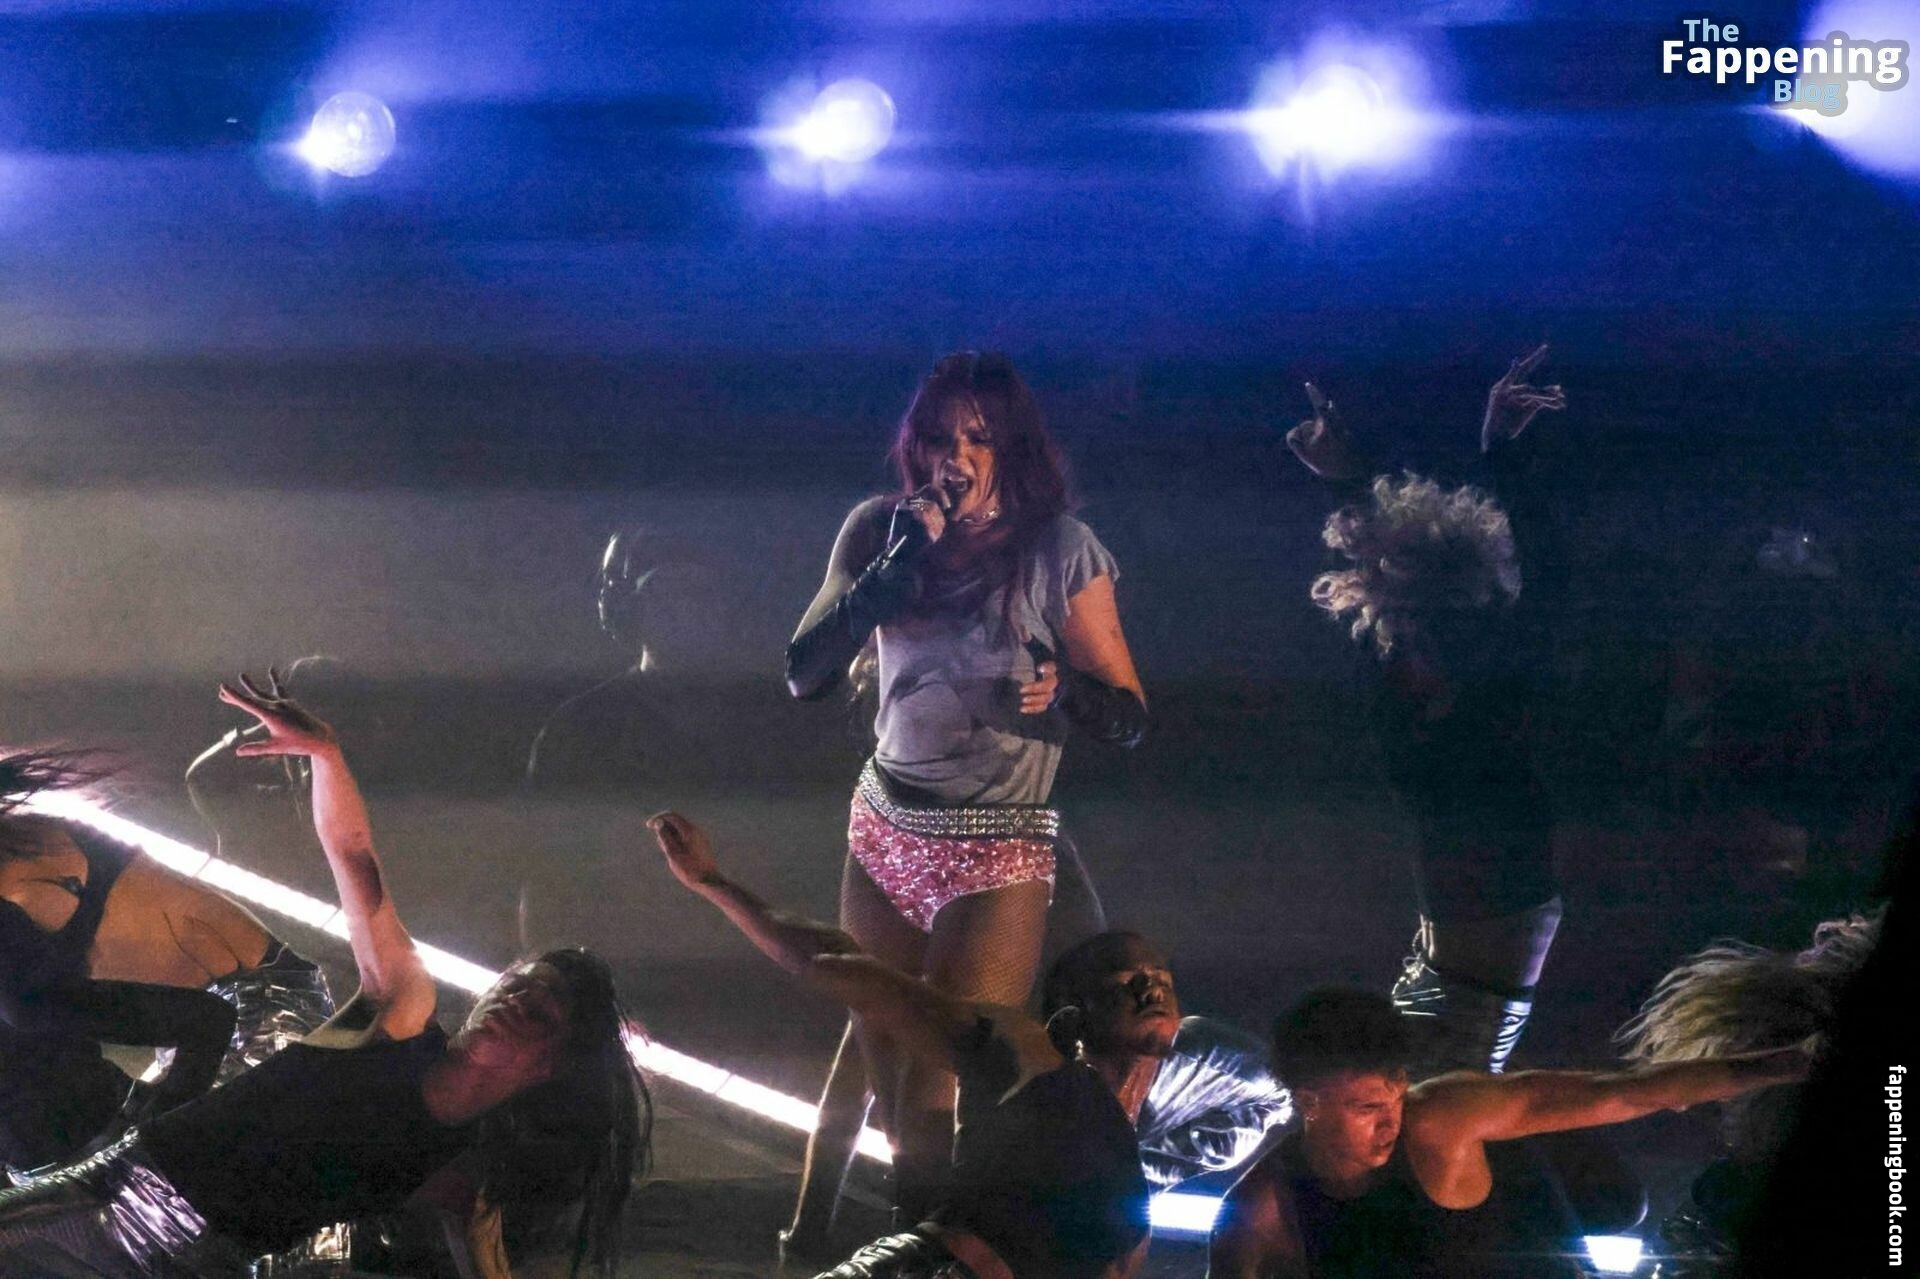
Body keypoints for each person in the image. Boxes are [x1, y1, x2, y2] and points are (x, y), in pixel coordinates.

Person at [0, 677, 648, 1279]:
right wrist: (327, 758)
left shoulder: (469, 1159)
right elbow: (355, 859)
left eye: (537, 1011)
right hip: (114, 1195)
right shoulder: (401, 1016)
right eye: (512, 986)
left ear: (550, 1065)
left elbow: (482, 1250)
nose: (509, 1001)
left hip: (200, 1262)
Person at [784, 351, 1148, 1226]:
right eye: (940, 436)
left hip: (997, 844)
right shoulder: (879, 529)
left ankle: (954, 1251)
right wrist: (894, 568)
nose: (956, 455)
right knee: (883, 1071)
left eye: (978, 438)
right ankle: (866, 1243)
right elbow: (804, 673)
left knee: (937, 1084)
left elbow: (1130, 714)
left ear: (1009, 447)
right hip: (886, 825)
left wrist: (1064, 688)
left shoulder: (1059, 548)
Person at [649, 810, 1171, 1279]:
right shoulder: (1022, 1058)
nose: (1150, 989)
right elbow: (838, 965)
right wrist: (713, 882)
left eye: (1161, 979)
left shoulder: (1131, 1174)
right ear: (1074, 1010)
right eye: (1127, 982)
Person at [1289, 349, 1569, 1074]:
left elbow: (1540, 579)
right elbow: (1386, 568)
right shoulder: (1399, 685)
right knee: (1384, 1103)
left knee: (1409, 1104)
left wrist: (1500, 452)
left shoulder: (1488, 677)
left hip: (1480, 963)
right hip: (1447, 950)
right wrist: (1346, 481)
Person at [1207, 988, 1810, 1279]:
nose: (1390, 1119)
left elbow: (1625, 1092)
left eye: (1396, 1092)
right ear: (1308, 1101)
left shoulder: (1439, 1119)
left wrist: (1790, 1062)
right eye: (1366, 1106)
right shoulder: (1261, 1213)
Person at [0, 746, 333, 1176]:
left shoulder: (16, 909)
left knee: (141, 1183)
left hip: (259, 1015)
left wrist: (156, 1129)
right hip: (236, 1004)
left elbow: (209, 1021)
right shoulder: (24, 835)